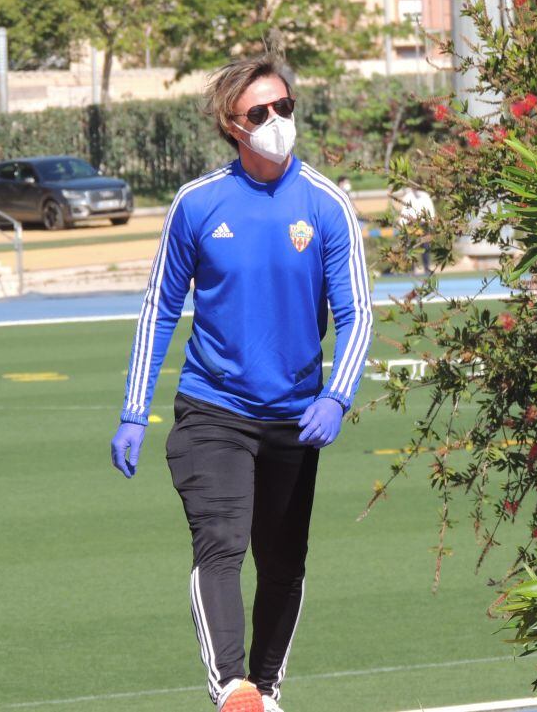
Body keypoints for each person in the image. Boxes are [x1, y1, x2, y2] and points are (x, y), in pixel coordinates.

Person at [110, 54, 373, 712]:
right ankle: (231, 688)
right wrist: (135, 411)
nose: (277, 119)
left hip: (294, 417)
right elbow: (158, 307)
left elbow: (358, 313)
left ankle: (267, 687)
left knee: (283, 564)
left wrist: (337, 395)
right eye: (261, 111)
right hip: (213, 409)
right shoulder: (198, 203)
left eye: (285, 106)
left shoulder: (327, 203)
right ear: (233, 124)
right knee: (222, 543)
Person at [395, 185, 436, 274]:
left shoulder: (426, 196)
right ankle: (412, 268)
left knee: (425, 246)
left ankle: (426, 267)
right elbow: (404, 212)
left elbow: (431, 212)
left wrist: (431, 224)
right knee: (410, 247)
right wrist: (402, 225)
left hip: (423, 225)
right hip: (411, 226)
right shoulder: (408, 197)